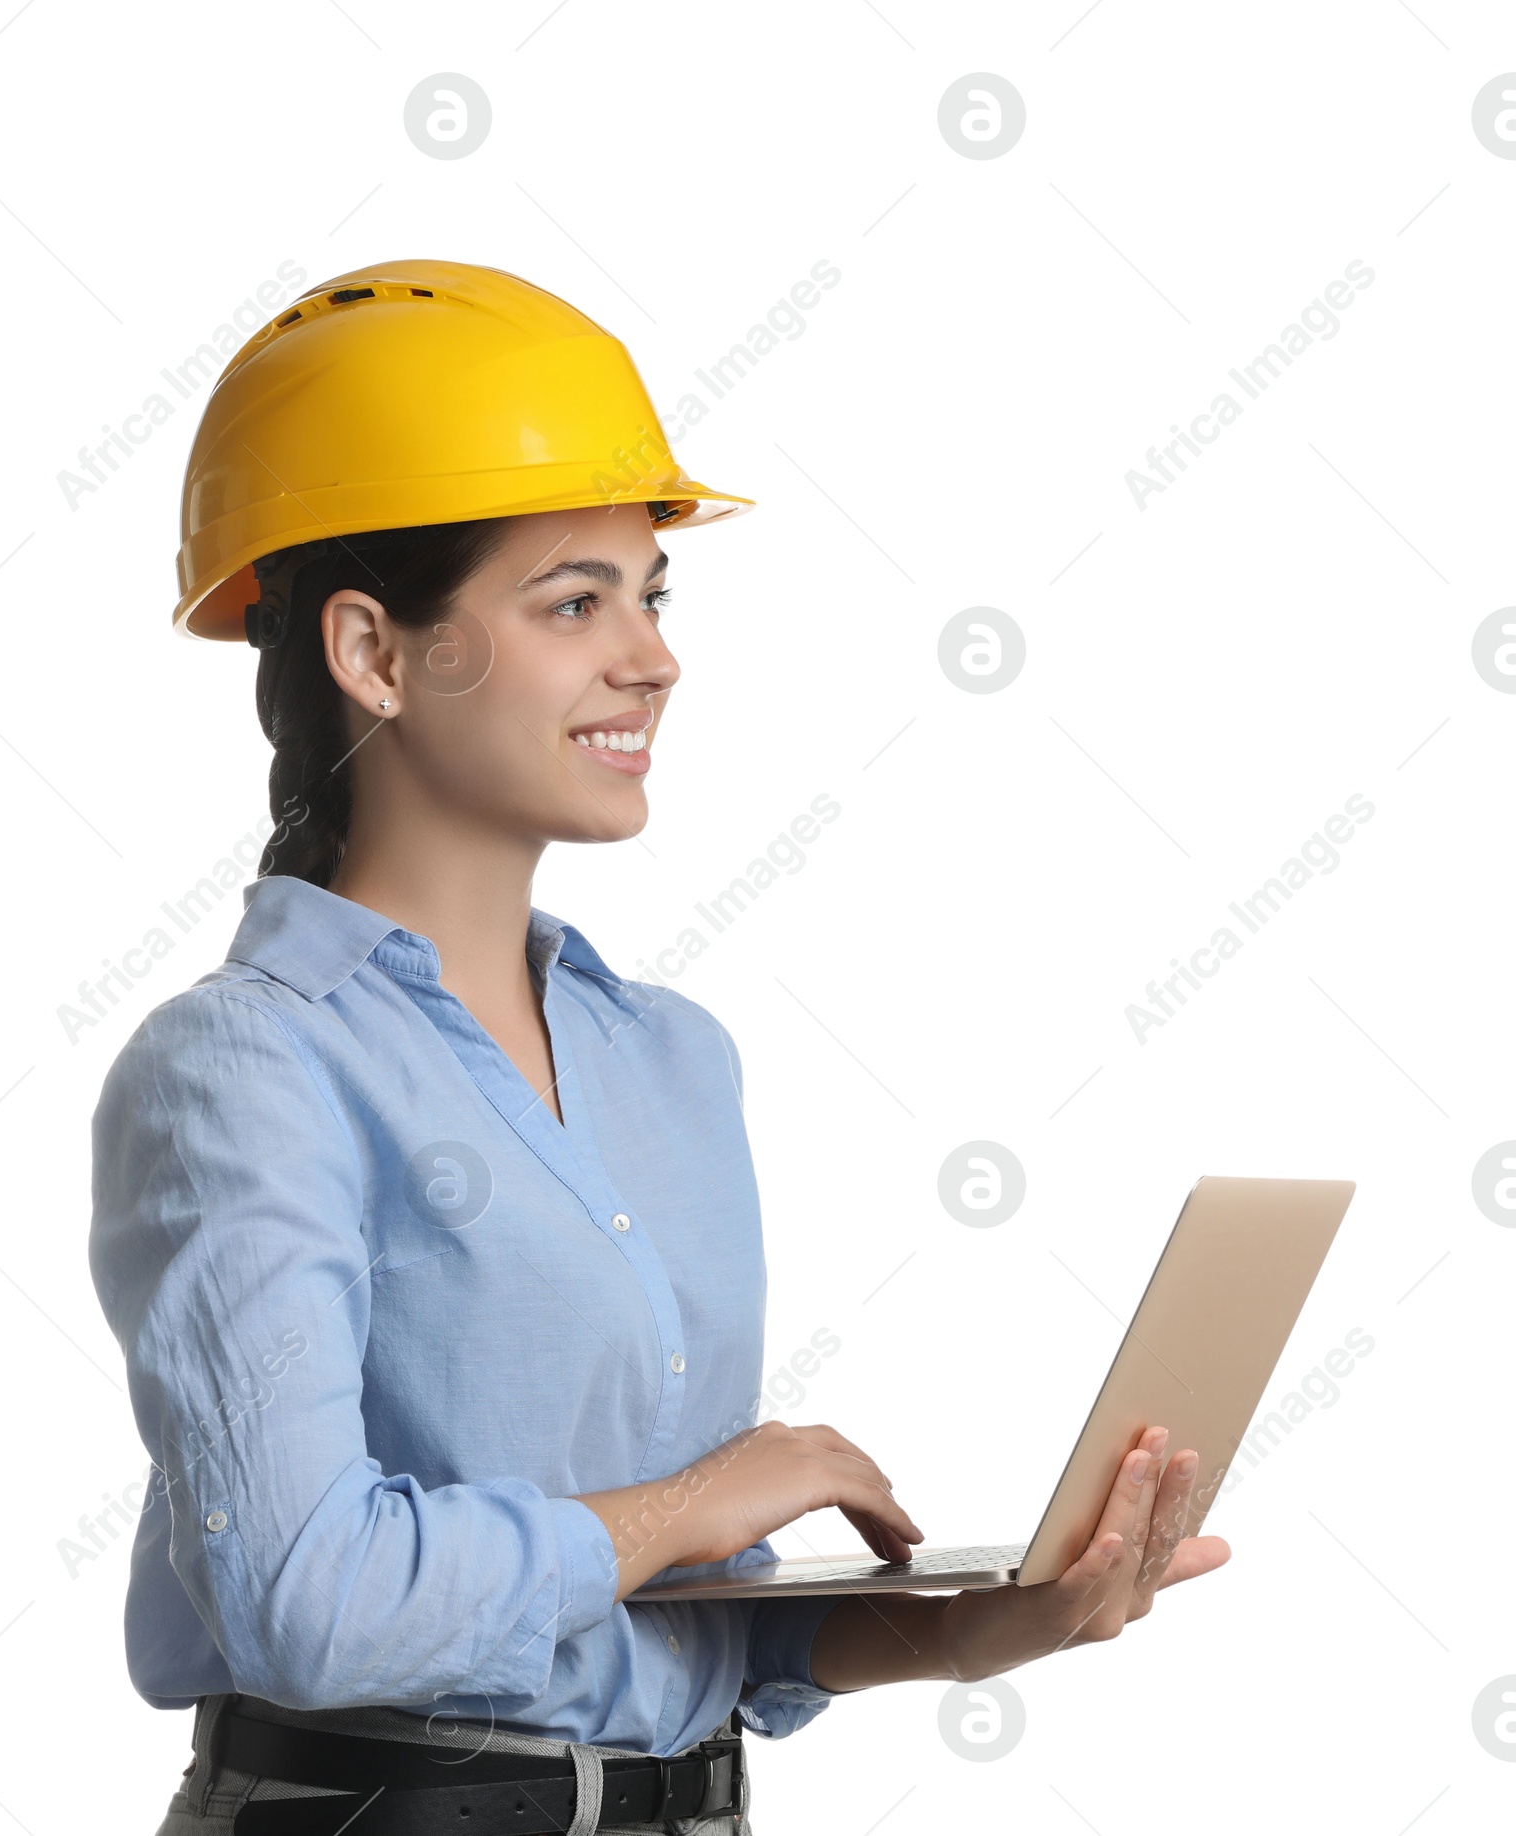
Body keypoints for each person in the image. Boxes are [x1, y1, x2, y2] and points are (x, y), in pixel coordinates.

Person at [88, 260, 1229, 1836]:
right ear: (373, 652)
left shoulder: (674, 1063)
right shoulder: (242, 1072)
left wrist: (986, 1625)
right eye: (576, 601)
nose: (654, 656)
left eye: (652, 593)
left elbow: (678, 1607)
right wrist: (685, 1505)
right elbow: (305, 1596)